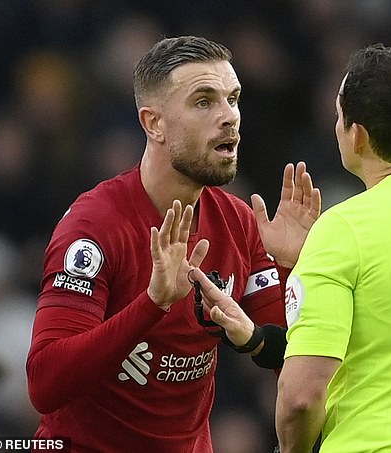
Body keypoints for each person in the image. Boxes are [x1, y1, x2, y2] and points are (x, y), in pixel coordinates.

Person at [197, 43, 391, 453]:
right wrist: (297, 271)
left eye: (339, 116)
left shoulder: (345, 231)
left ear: (358, 134)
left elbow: (301, 398)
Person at [25, 35, 321, 452]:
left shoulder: (238, 221)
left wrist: (292, 267)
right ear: (154, 124)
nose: (230, 117)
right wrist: (151, 304)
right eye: (204, 101)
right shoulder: (96, 225)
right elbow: (45, 384)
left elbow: (295, 363)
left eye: (233, 99)